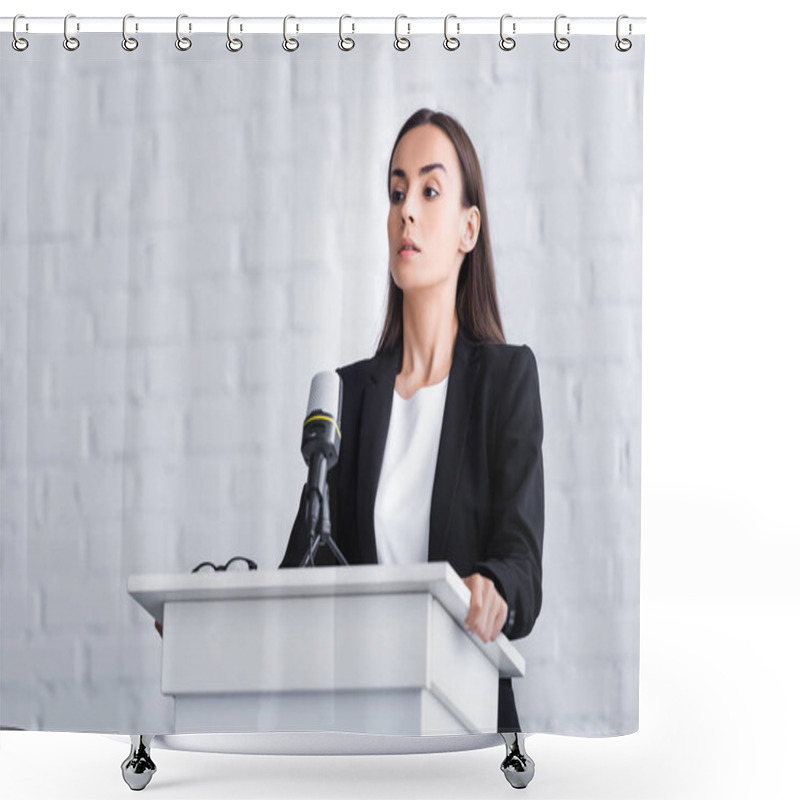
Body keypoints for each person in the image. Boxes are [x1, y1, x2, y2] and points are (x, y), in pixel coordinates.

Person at [280, 108, 545, 734]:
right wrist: (210, 623)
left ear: (467, 228)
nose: (407, 211)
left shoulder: (505, 381)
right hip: (359, 730)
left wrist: (493, 587)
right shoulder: (347, 394)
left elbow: (523, 567)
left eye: (429, 190)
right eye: (397, 192)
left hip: (468, 724)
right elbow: (299, 573)